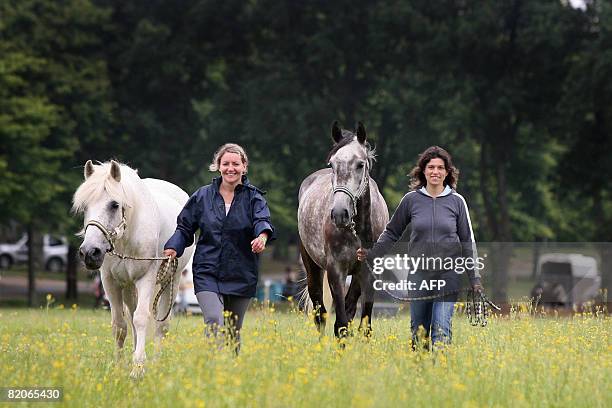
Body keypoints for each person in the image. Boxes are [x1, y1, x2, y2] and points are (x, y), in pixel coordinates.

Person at [357, 146, 482, 349]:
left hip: (448, 274)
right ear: (423, 171)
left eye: (440, 167)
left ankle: (439, 372)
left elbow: (468, 241)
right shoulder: (411, 200)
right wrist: (373, 254)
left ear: (447, 172)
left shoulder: (457, 202)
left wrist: (474, 278)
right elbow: (392, 232)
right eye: (431, 167)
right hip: (419, 274)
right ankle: (420, 371)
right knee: (418, 331)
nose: (435, 171)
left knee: (442, 328)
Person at [164, 143, 274, 351]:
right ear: (218, 166)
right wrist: (173, 246)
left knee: (233, 331)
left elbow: (262, 221)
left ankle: (230, 373)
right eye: (225, 164)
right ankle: (214, 365)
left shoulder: (254, 198)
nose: (230, 168)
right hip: (207, 271)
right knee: (214, 319)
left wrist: (262, 237)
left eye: (235, 164)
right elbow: (185, 228)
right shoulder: (202, 196)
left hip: (241, 272)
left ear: (244, 167)